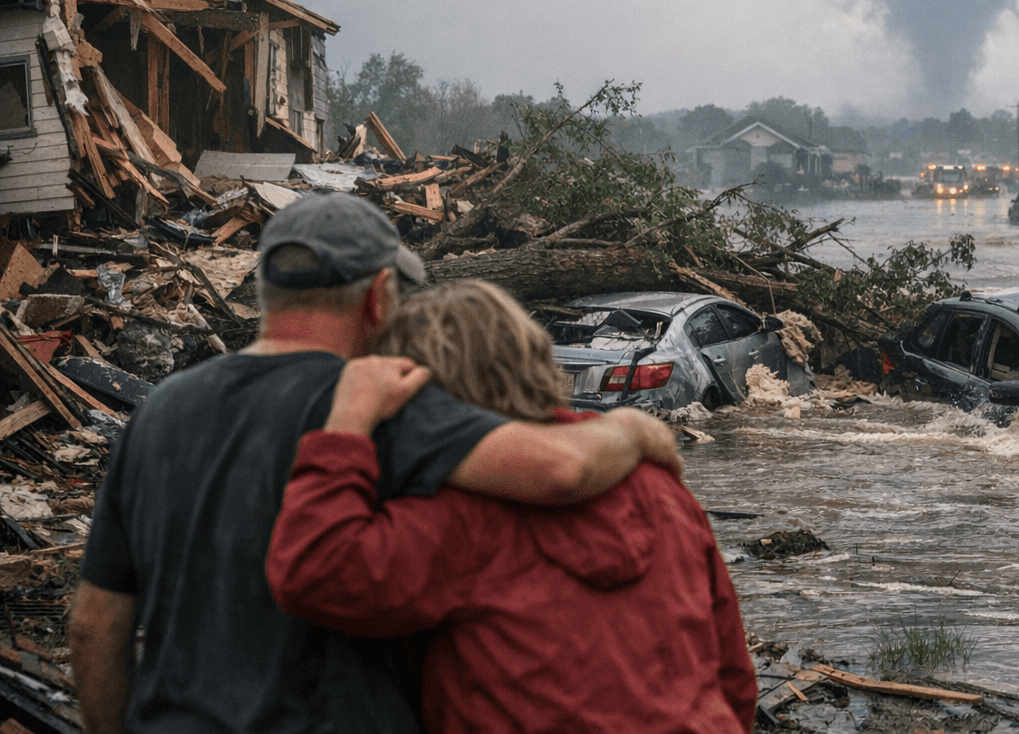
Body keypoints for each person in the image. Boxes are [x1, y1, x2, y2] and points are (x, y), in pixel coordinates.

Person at [69, 193, 683, 734]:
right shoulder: (382, 404)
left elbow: (95, 625)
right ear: (380, 296)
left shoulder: (161, 412)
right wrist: (633, 427)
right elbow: (560, 470)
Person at [266, 279, 756, 734]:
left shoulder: (458, 514)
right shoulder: (657, 484)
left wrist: (347, 423)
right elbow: (733, 672)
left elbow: (314, 567)